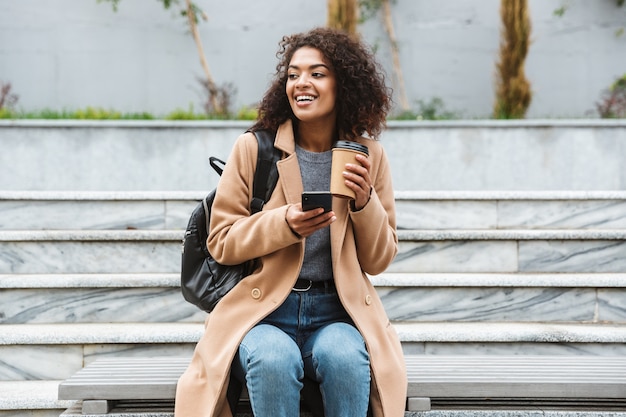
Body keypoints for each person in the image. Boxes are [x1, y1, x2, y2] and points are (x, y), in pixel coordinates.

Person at [175, 27, 406, 417]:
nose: (302, 83)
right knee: (273, 360)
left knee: (346, 357)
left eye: (317, 73)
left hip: (337, 310)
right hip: (263, 310)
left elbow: (379, 260)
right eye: (294, 74)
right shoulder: (254, 148)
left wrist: (365, 203)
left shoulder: (368, 155)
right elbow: (221, 240)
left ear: (343, 84)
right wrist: (285, 224)